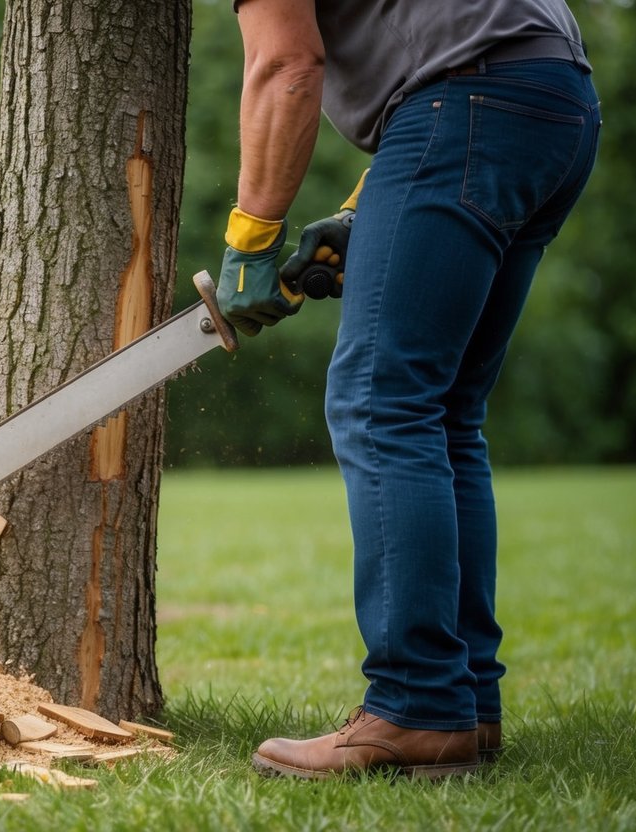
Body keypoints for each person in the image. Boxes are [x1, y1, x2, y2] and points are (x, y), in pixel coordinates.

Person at [216, 0, 601, 779]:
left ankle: (416, 704)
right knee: (446, 411)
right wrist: (368, 209)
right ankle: (465, 706)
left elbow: (287, 65)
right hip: (551, 99)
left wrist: (250, 239)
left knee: (381, 401)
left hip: (466, 102)